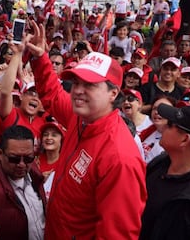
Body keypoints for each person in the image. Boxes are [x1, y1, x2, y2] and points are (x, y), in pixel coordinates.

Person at [26, 20, 146, 239]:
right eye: (77, 82)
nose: (78, 91)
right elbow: (53, 95)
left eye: (90, 85)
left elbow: (117, 234)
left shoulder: (120, 158)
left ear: (113, 94)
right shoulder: (80, 118)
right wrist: (39, 57)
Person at [140, 104, 190, 239]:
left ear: (185, 139)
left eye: (169, 125)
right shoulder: (161, 162)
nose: (162, 127)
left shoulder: (187, 201)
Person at [0, 125, 46, 240]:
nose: (21, 164)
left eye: (28, 158)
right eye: (14, 159)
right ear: (0, 154)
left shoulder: (34, 173)